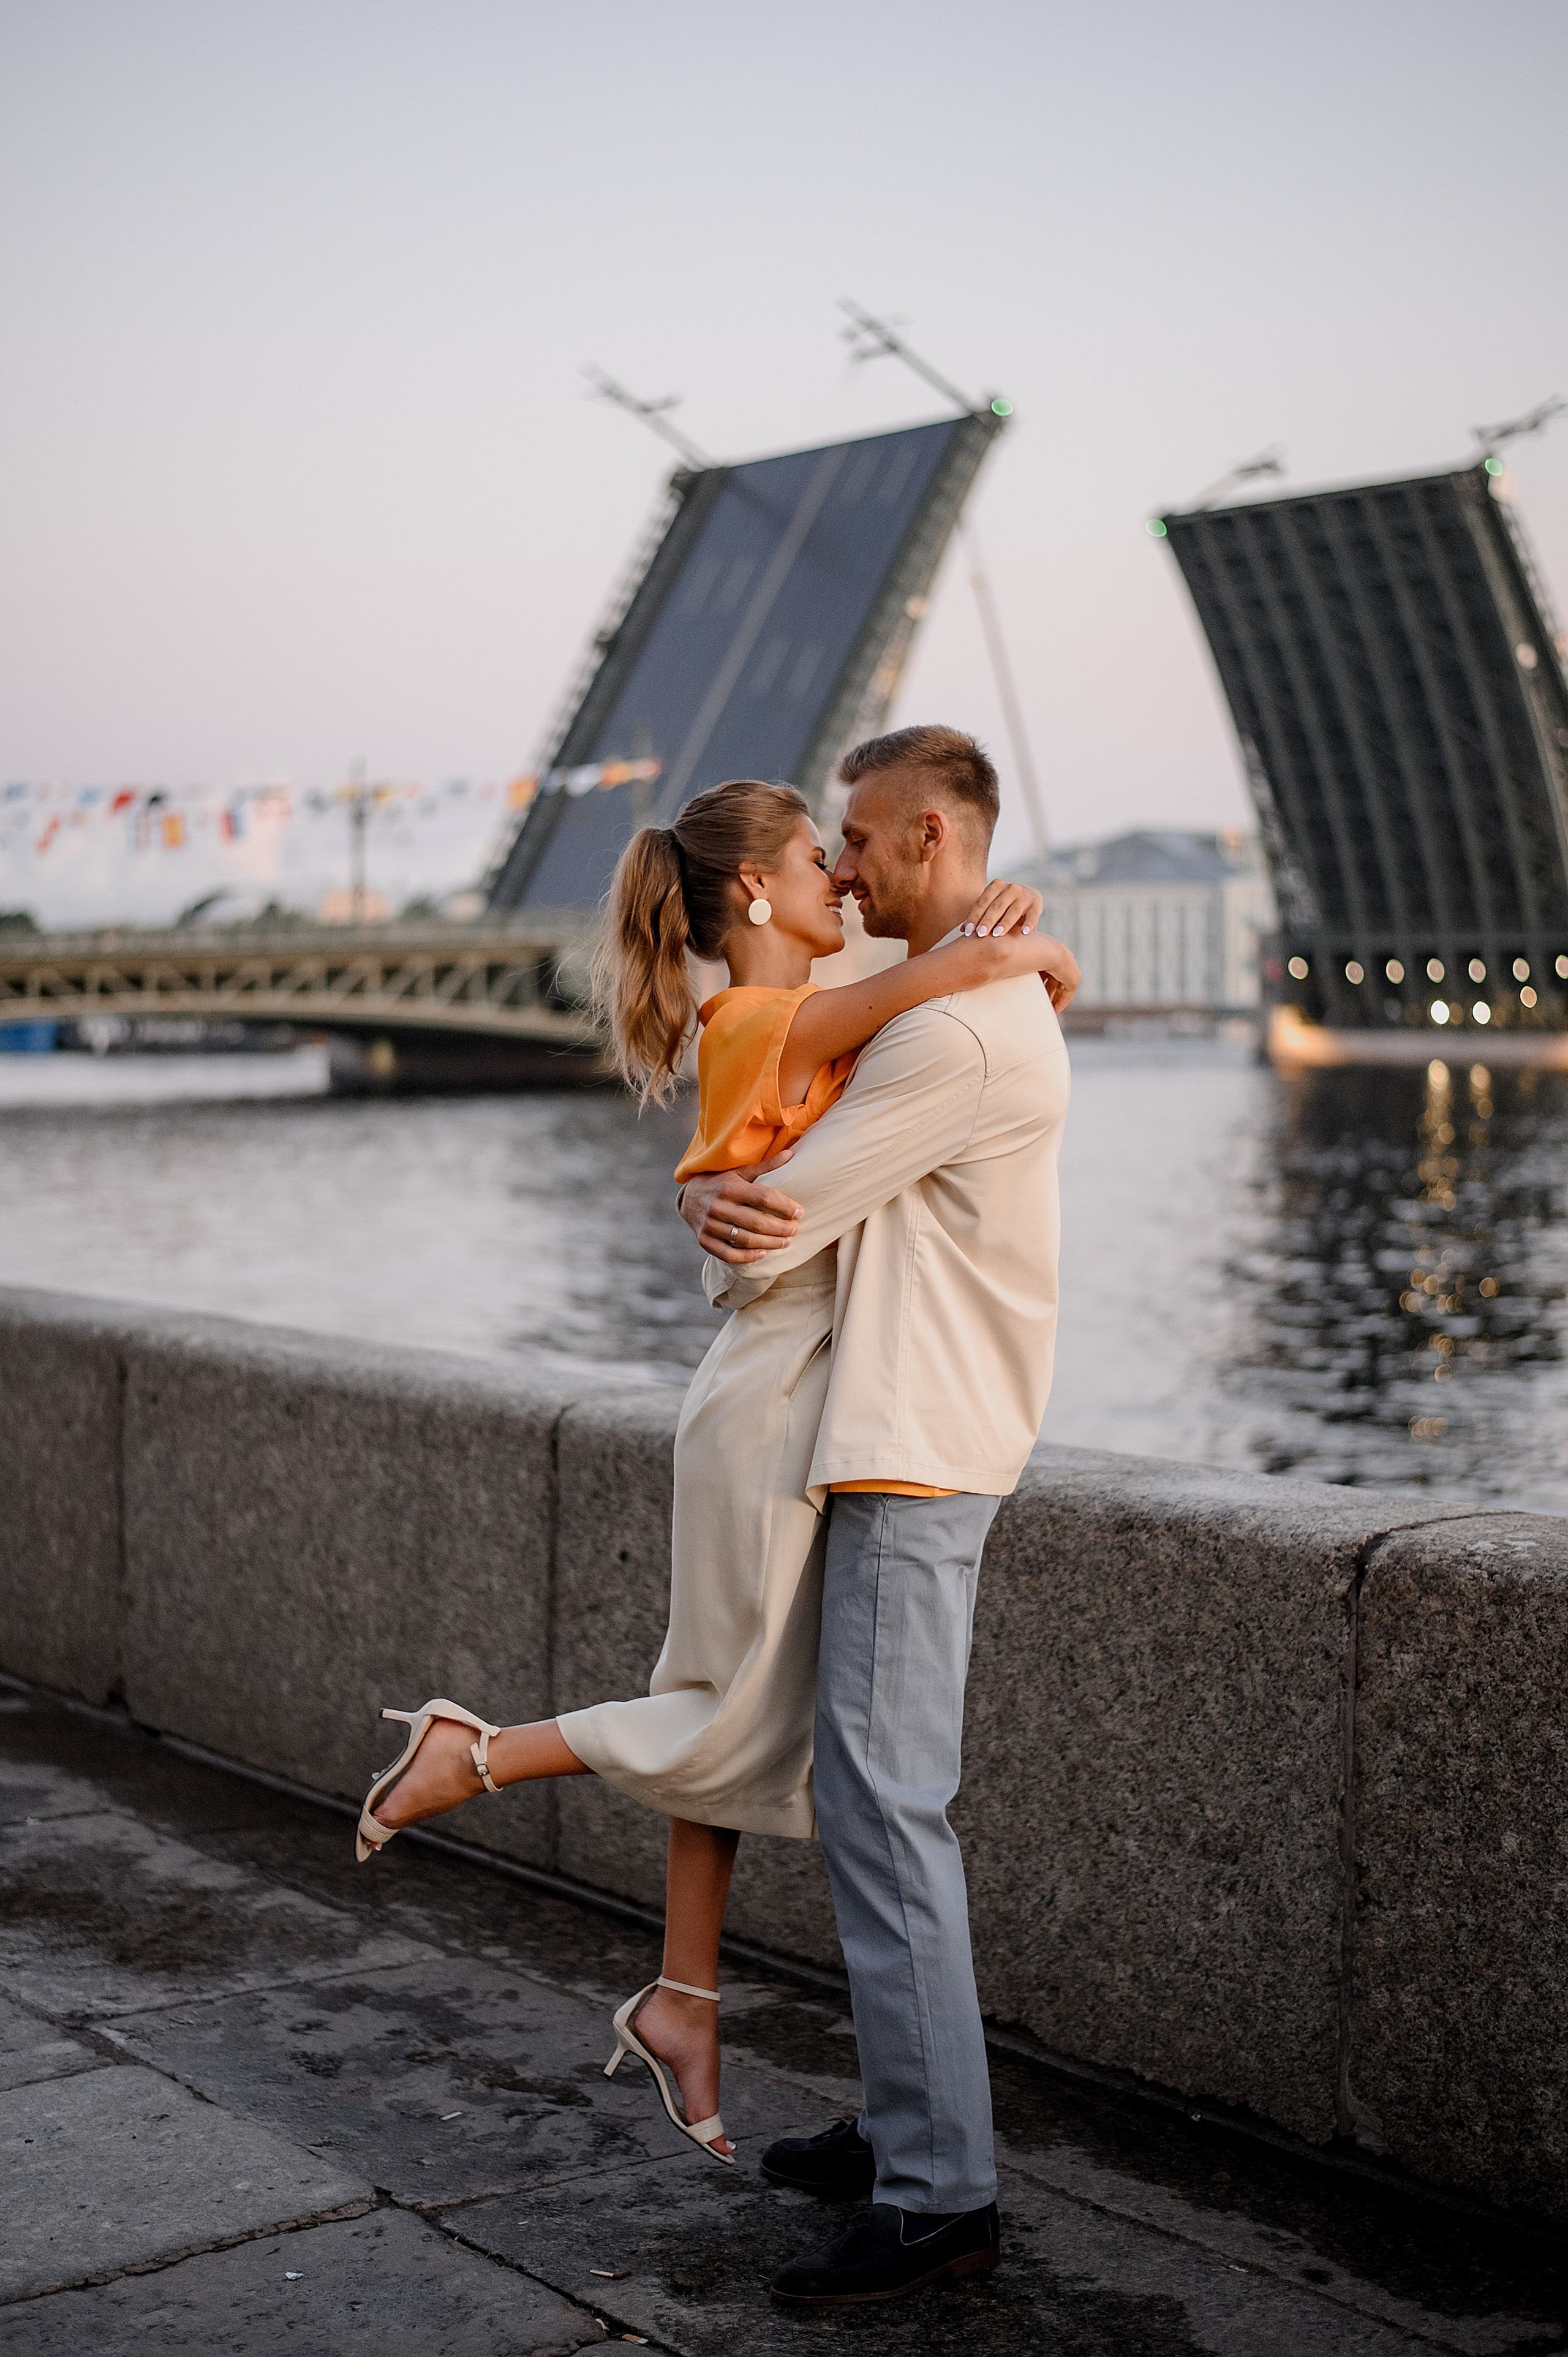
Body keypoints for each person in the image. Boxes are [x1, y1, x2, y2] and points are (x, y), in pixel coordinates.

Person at [352, 767, 1079, 2176]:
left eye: (851, 849)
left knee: (732, 1701)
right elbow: (919, 1022)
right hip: (779, 1391)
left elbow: (911, 979)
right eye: (822, 855)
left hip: (801, 1386)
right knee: (727, 1708)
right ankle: (477, 1752)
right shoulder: (774, 1008)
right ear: (759, 889)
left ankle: (686, 1998)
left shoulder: (805, 983)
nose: (843, 876)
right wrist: (1014, 949)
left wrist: (1008, 928)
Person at [676, 725, 1071, 2309]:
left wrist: (706, 1206)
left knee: (891, 1811)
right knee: (869, 1804)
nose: (838, 864)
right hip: (909, 1431)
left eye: (856, 837)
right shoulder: (984, 991)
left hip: (917, 1446)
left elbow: (764, 1247)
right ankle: (915, 2119)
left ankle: (937, 2195)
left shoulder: (953, 1037)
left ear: (924, 836)